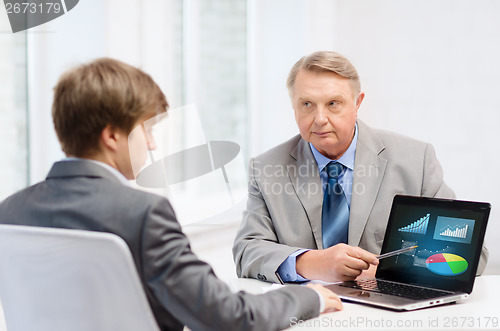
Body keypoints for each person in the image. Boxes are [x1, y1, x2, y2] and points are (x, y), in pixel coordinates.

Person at [0, 58, 343, 331]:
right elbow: (228, 317)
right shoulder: (143, 213)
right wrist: (305, 298)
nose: (151, 144)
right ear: (112, 137)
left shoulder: (10, 212)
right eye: (146, 129)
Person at [232, 51, 488, 284]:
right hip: (306, 310)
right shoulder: (266, 168)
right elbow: (247, 250)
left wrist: (388, 271)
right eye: (307, 104)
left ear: (357, 103)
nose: (320, 119)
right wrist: (309, 263)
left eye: (333, 103)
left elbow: (471, 254)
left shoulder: (416, 160)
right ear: (293, 106)